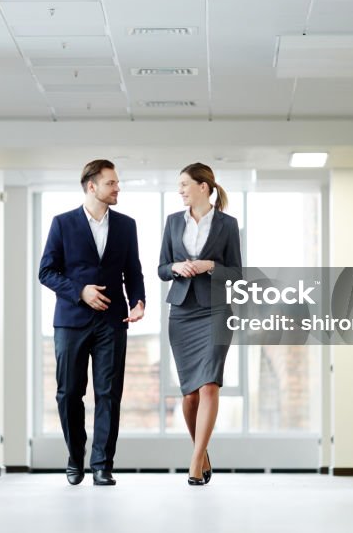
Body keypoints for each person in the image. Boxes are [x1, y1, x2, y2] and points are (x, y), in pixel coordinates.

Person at [39, 159, 146, 486]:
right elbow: (46, 272)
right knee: (69, 393)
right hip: (71, 321)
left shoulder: (126, 226)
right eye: (111, 183)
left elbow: (133, 270)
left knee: (108, 394)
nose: (117, 188)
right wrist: (79, 292)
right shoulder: (63, 223)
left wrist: (139, 300)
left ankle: (102, 465)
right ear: (92, 186)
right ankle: (75, 456)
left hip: (112, 321)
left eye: (117, 183)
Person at [158, 163, 242, 485]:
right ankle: (203, 451)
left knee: (209, 384)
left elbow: (237, 273)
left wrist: (210, 265)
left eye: (184, 184)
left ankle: (195, 461)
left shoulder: (227, 225)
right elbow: (161, 268)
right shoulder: (172, 223)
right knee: (190, 394)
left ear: (203, 187)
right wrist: (177, 267)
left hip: (217, 309)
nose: (180, 190)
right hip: (182, 312)